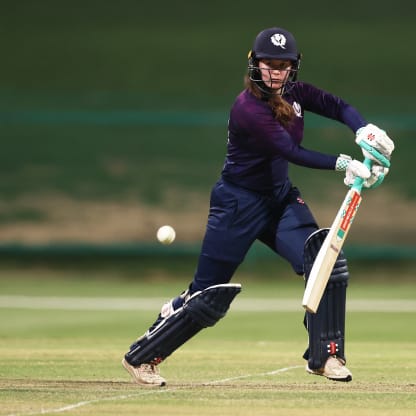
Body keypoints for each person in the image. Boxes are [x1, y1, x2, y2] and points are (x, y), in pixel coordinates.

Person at [122, 27, 394, 386]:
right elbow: (290, 151)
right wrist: (346, 164)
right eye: (269, 64)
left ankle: (327, 357)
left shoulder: (295, 94)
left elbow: (338, 106)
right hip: (237, 204)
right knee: (207, 296)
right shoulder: (248, 108)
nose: (276, 71)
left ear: (292, 67)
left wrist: (363, 130)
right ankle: (141, 357)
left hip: (279, 200)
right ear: (255, 65)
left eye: (283, 65)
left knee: (325, 263)